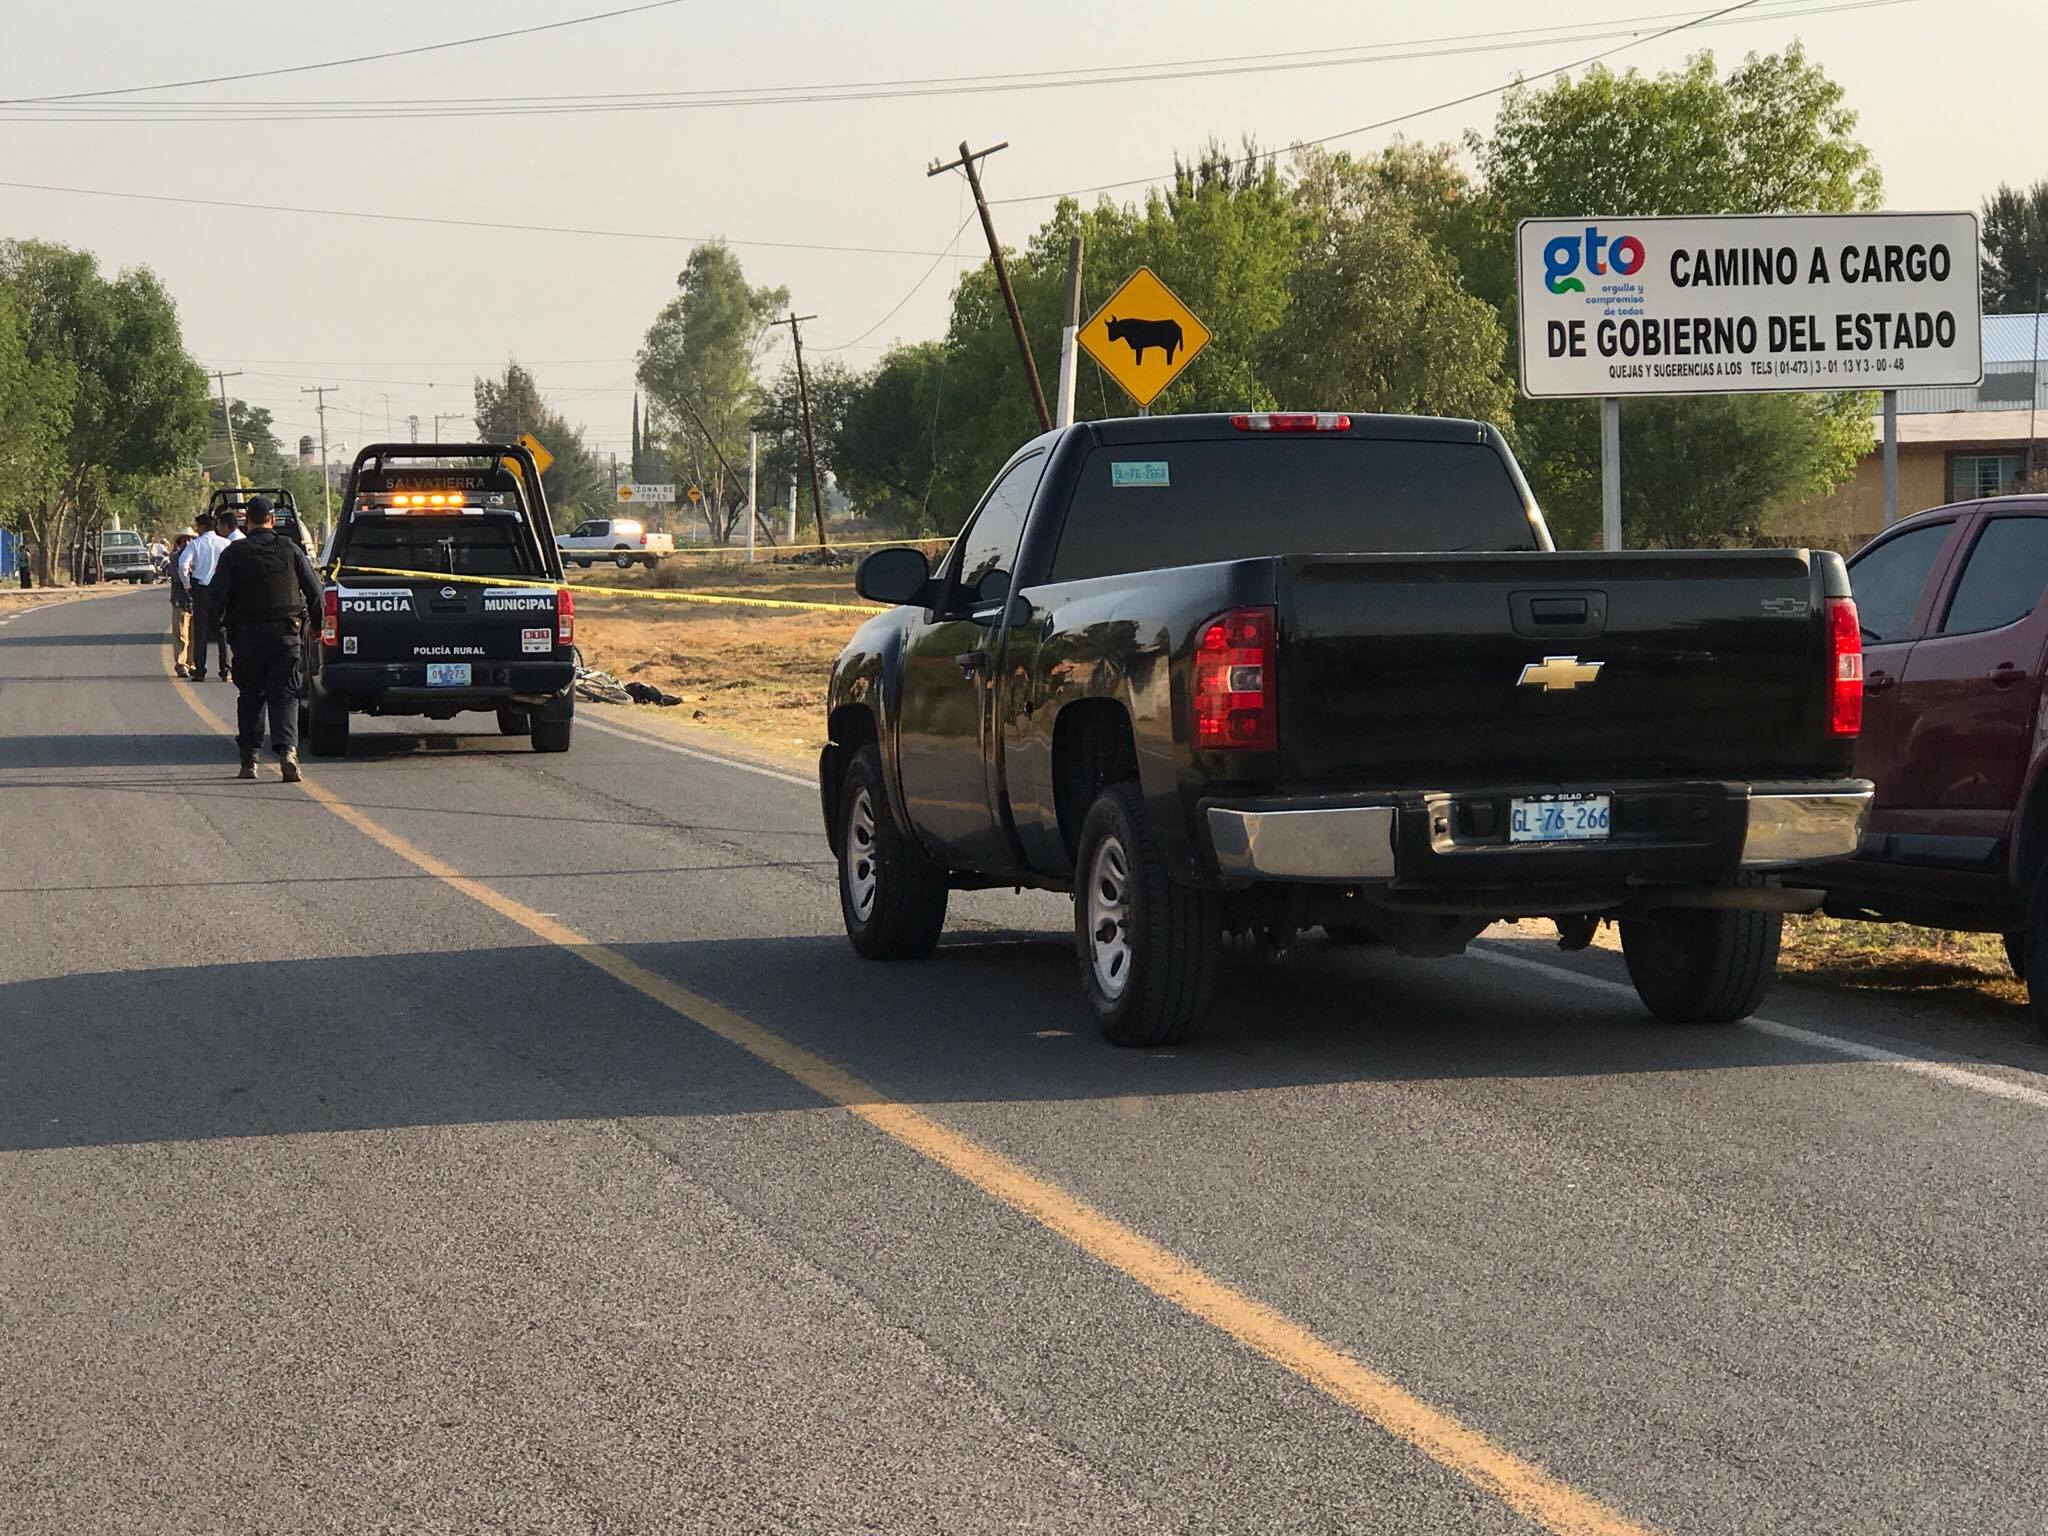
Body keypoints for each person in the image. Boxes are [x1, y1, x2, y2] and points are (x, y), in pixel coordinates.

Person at [208, 496, 323, 781]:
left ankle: (250, 760)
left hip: (247, 637)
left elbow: (216, 596)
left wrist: (220, 626)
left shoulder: (234, 552)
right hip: (286, 635)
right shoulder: (290, 548)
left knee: (251, 696)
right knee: (286, 695)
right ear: (272, 519)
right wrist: (316, 627)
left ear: (247, 520)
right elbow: (315, 592)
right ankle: (288, 752)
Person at [177, 511, 237, 681]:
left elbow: (183, 566)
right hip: (222, 591)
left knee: (201, 632)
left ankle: (200, 671)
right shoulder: (226, 543)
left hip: (201, 590)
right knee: (222, 631)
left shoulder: (195, 544)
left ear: (202, 527)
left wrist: (187, 586)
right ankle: (226, 670)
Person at [168, 532, 195, 676]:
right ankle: (181, 664)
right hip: (180, 599)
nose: (187, 544)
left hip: (196, 600)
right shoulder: (175, 558)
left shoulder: (197, 556)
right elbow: (178, 576)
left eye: (190, 540)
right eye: (183, 541)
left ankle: (192, 663)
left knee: (194, 635)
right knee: (181, 635)